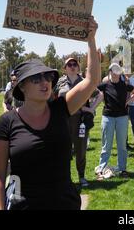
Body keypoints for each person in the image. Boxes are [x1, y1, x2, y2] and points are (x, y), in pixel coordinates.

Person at [0, 17, 100, 210]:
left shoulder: (61, 108)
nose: (45, 82)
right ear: (22, 87)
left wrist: (90, 38)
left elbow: (91, 80)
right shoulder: (6, 122)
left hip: (65, 204)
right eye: (36, 78)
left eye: (48, 76)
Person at [96, 63, 134, 179]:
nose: (115, 73)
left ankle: (122, 169)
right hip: (108, 118)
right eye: (113, 71)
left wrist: (128, 101)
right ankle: (101, 169)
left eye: (117, 71)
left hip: (122, 118)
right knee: (107, 145)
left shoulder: (124, 85)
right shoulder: (105, 85)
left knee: (122, 146)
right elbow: (94, 92)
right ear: (110, 72)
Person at [54, 57, 92, 188]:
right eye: (69, 64)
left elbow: (99, 94)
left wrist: (90, 109)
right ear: (65, 68)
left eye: (74, 64)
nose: (72, 66)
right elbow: (52, 98)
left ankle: (81, 176)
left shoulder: (84, 82)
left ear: (78, 67)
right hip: (64, 121)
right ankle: (66, 178)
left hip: (80, 121)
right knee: (64, 150)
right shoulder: (59, 83)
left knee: (81, 150)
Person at [125, 72, 134, 147]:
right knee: (124, 124)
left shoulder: (133, 80)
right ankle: (125, 141)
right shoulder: (121, 79)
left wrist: (129, 101)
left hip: (132, 105)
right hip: (124, 106)